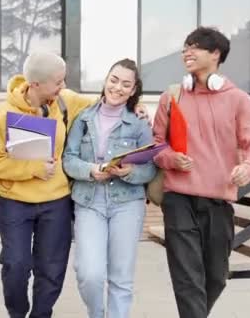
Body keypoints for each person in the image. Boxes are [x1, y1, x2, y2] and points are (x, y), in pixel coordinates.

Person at [152, 27, 250, 318]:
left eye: (195, 47)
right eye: (184, 47)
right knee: (188, 278)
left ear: (215, 54)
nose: (186, 52)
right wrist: (170, 159)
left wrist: (248, 167)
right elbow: (156, 145)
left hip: (218, 201)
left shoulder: (238, 99)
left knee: (216, 276)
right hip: (178, 198)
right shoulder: (172, 96)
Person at [0, 52, 93, 318]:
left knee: (52, 268)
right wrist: (33, 169)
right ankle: (17, 313)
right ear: (35, 84)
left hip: (56, 201)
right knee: (16, 265)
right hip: (15, 202)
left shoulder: (65, 101)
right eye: (57, 82)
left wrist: (135, 106)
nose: (63, 86)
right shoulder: (4, 113)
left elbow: (103, 104)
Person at [62, 58, 156, 318]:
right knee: (89, 274)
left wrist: (131, 172)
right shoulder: (83, 118)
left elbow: (150, 168)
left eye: (126, 84)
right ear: (105, 81)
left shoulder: (139, 123)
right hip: (89, 201)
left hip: (128, 204)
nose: (118, 88)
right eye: (114, 80)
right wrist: (91, 170)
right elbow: (68, 160)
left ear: (134, 89)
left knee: (121, 277)